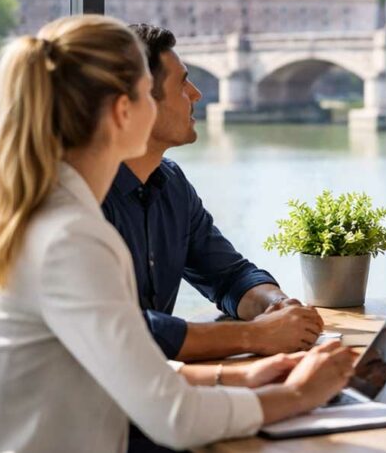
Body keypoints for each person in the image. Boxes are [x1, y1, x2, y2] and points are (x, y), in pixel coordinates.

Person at [0, 16, 357, 452]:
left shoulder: (49, 212)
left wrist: (241, 376)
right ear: (125, 110)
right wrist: (300, 395)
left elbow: (110, 356)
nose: (196, 95)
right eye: (156, 92)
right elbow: (174, 418)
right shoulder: (70, 239)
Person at [101, 23, 322, 365]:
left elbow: (228, 275)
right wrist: (258, 335)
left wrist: (275, 305)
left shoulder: (170, 183)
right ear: (136, 102)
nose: (196, 94)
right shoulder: (85, 197)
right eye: (181, 83)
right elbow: (125, 331)